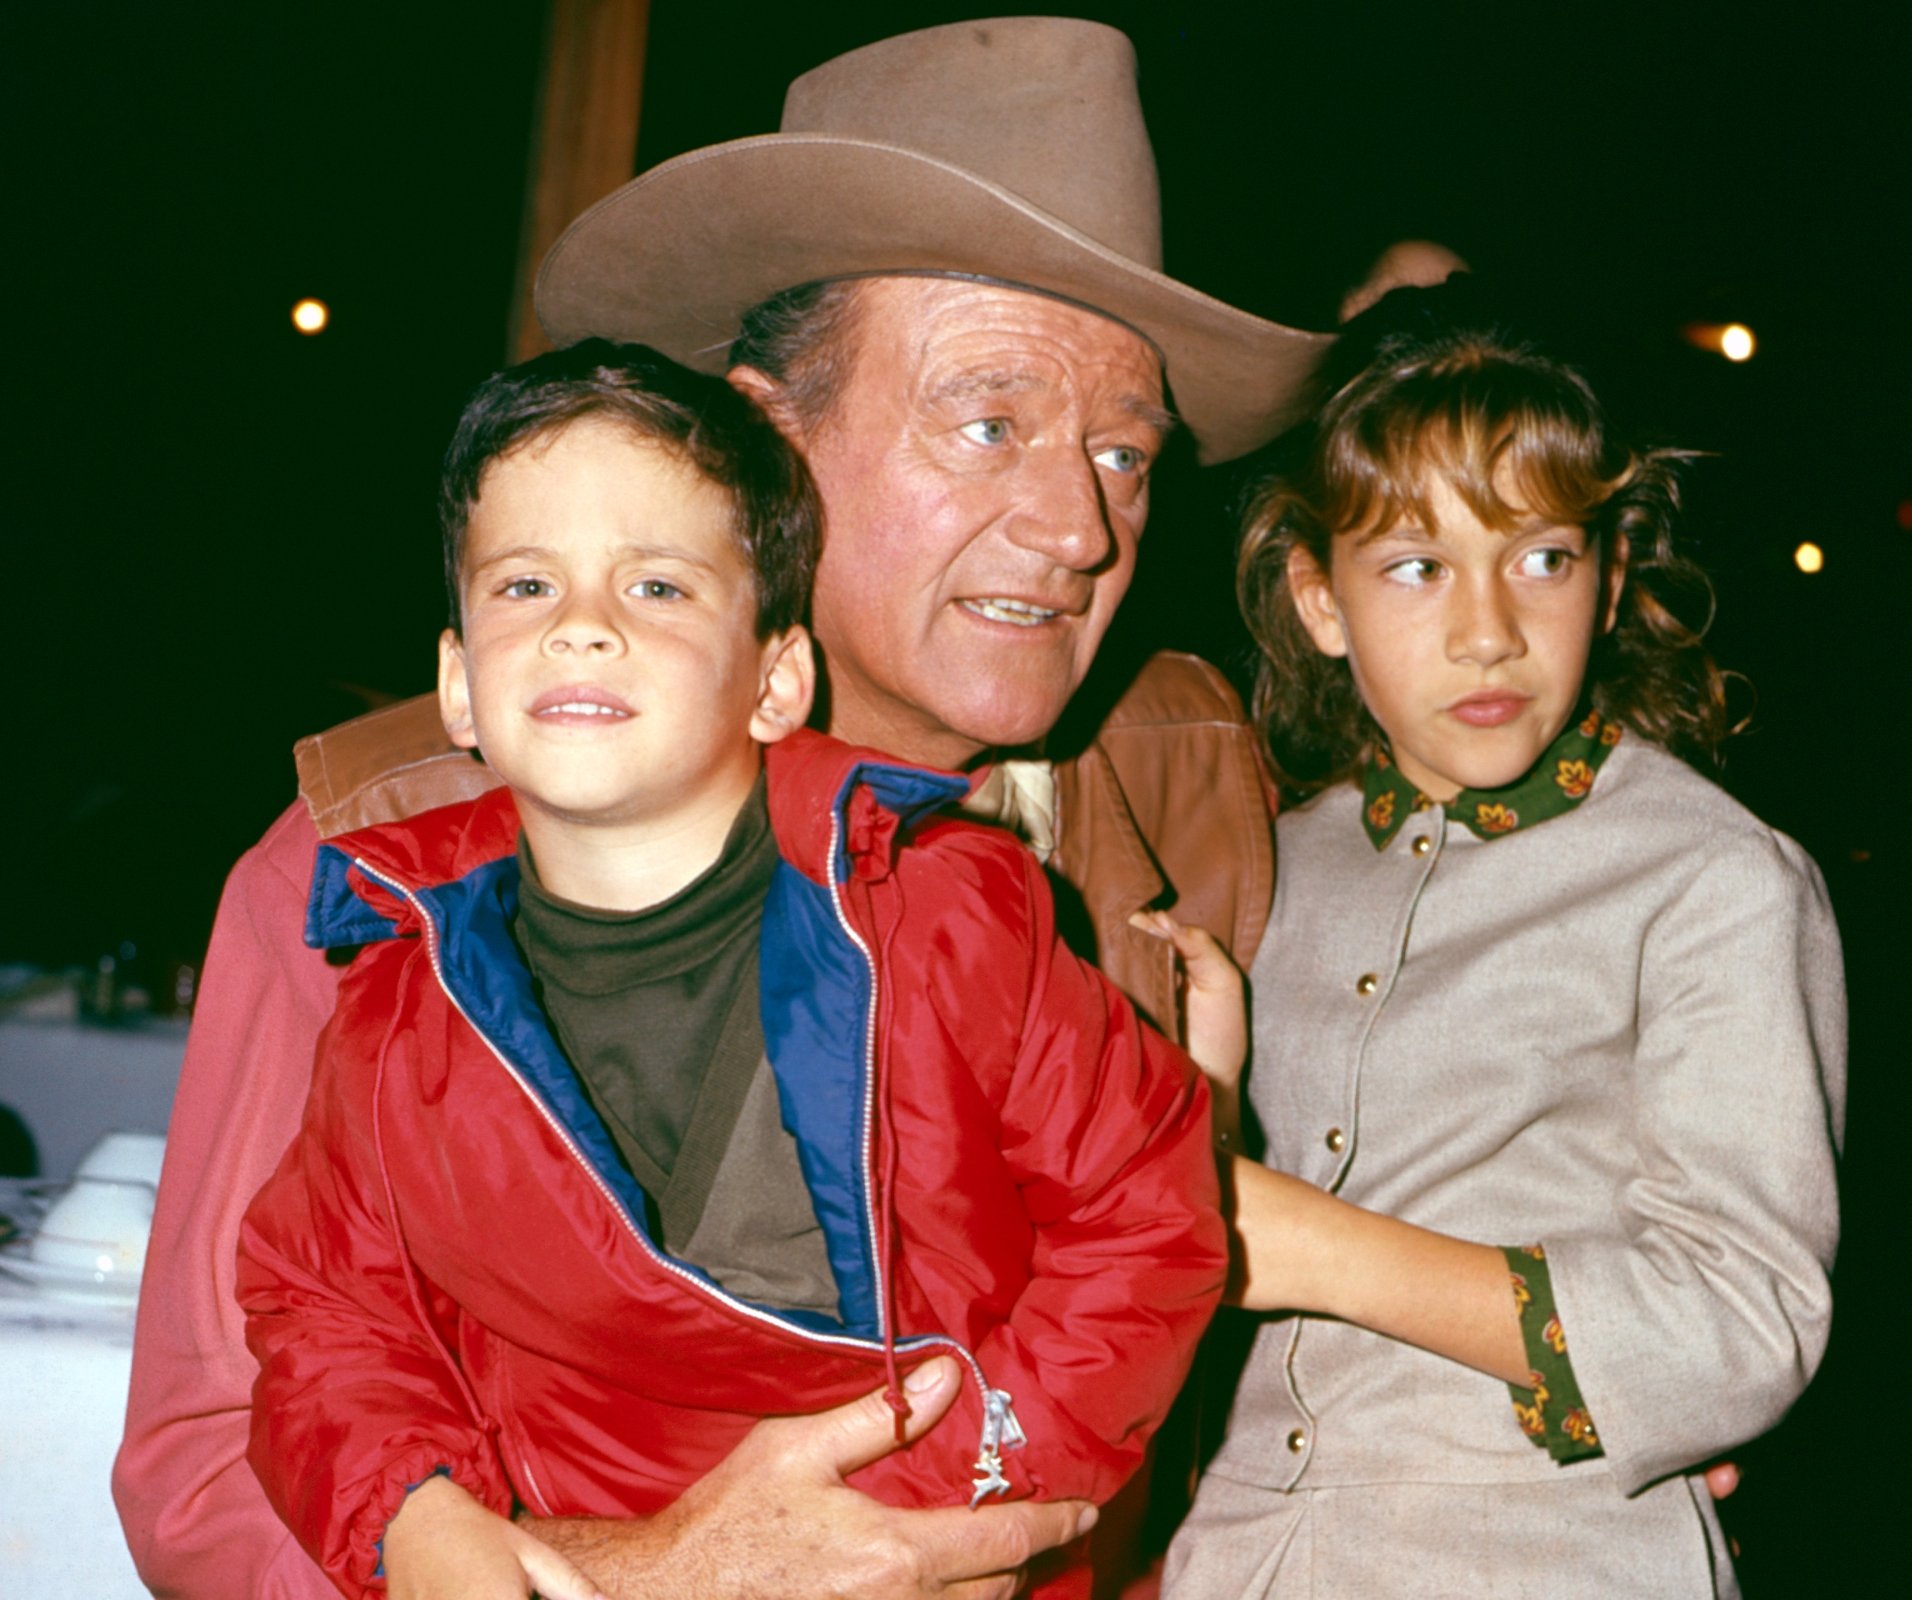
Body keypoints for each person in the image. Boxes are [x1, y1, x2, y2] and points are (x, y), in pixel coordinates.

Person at [116, 20, 1331, 1599]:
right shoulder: (387, 856)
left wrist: (1589, 1358)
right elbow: (214, 1471)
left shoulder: (1185, 786)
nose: (1081, 526)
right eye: (988, 420)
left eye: (1125, 453)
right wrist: (646, 1574)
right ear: (768, 442)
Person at [234, 338, 1223, 1600]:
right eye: (526, 585)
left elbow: (1146, 1210)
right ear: (457, 686)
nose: (581, 627)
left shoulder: (946, 914)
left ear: (775, 679)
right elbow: (324, 1305)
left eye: (655, 587)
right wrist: (413, 1523)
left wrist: (968, 1494)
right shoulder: (398, 991)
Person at [1153, 299, 1845, 1598]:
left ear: (1615, 574)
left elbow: (1743, 1329)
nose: (1489, 631)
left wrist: (1302, 1247)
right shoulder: (1263, 868)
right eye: (1416, 567)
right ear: (1318, 599)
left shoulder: (1711, 877)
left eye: (1541, 558)